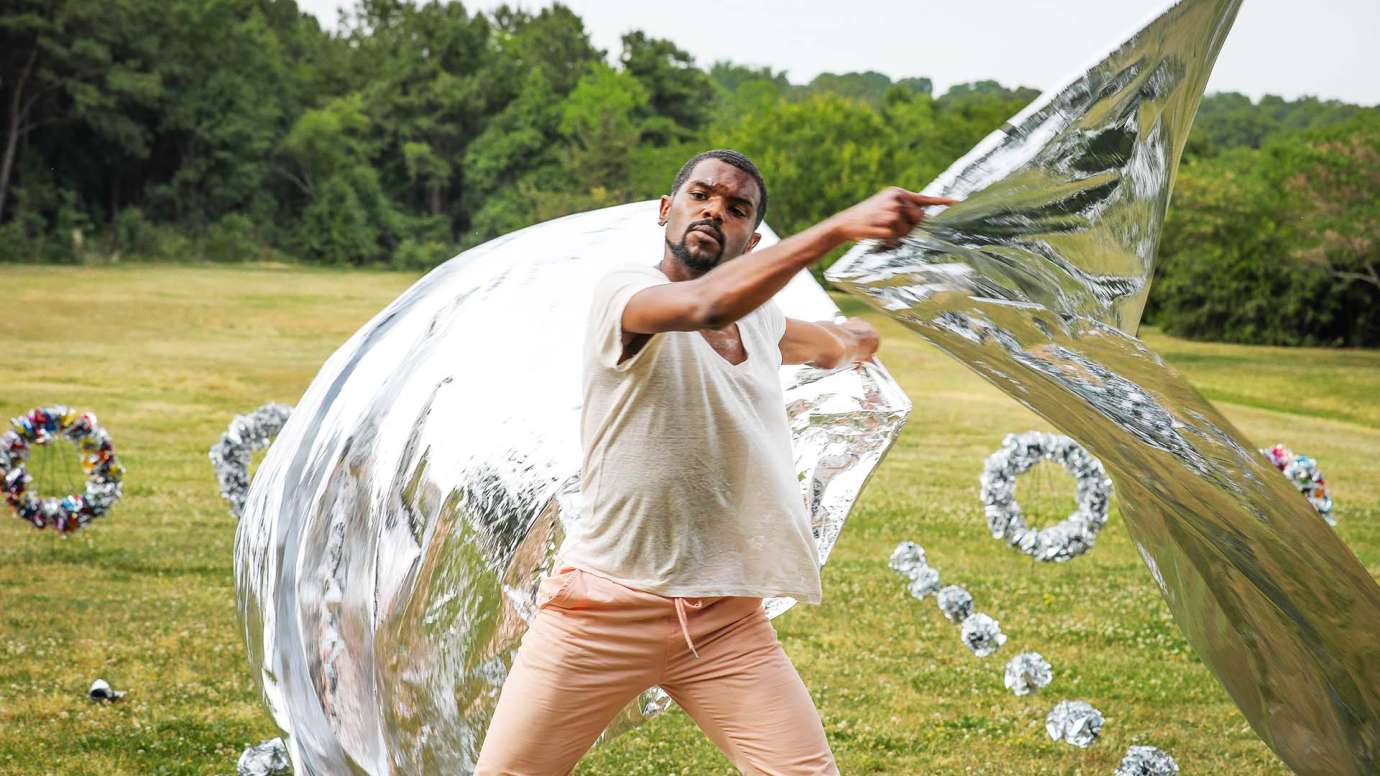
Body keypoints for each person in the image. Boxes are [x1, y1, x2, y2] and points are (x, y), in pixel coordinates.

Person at [475, 149, 953, 775]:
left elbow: (825, 343)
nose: (713, 211)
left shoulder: (759, 319)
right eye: (700, 196)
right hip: (601, 612)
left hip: (724, 623)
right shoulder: (625, 297)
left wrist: (857, 337)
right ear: (666, 211)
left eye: (735, 208)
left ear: (751, 240)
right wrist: (837, 229)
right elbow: (704, 306)